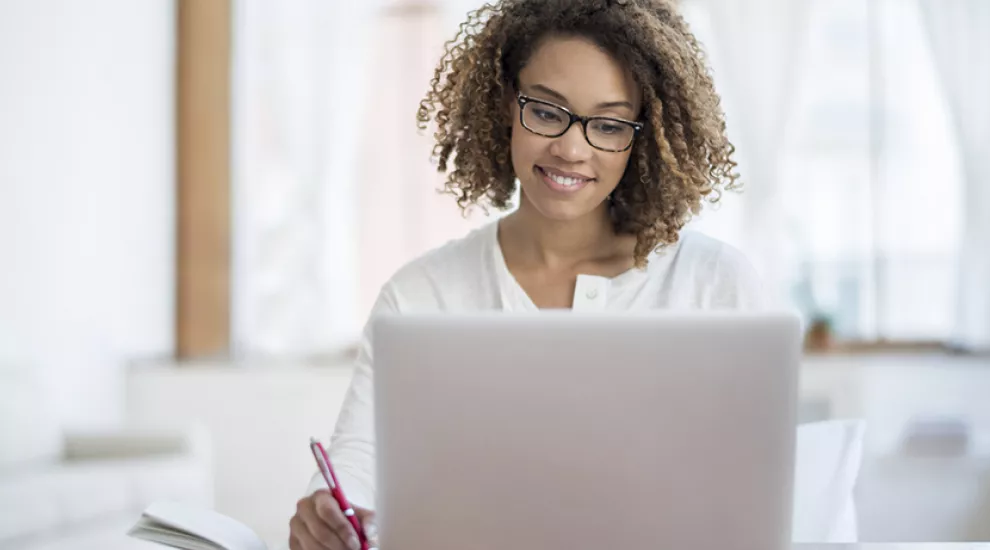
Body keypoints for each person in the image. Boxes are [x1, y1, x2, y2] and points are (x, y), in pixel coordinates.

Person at [289, 0, 760, 548]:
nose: (571, 148)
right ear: (505, 104)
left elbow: (752, 489)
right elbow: (361, 460)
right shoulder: (421, 296)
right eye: (546, 110)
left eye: (608, 124)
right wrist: (329, 515)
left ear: (643, 136)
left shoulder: (714, 283)